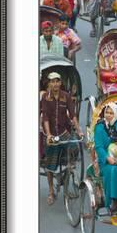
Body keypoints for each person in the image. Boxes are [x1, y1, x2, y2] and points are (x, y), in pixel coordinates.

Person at [41, 72, 83, 204]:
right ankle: (51, 191)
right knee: (50, 165)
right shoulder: (45, 97)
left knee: (74, 146)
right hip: (51, 133)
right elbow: (46, 117)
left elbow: (72, 115)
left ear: (60, 83)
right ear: (49, 83)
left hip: (64, 131)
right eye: (52, 81)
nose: (54, 84)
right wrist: (48, 135)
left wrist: (79, 130)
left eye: (57, 81)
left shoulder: (66, 96)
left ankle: (70, 169)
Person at [94, 102, 117, 211]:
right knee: (113, 170)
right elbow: (99, 147)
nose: (109, 115)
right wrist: (107, 158)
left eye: (111, 113)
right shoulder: (100, 127)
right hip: (105, 159)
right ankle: (114, 200)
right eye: (107, 113)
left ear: (116, 114)